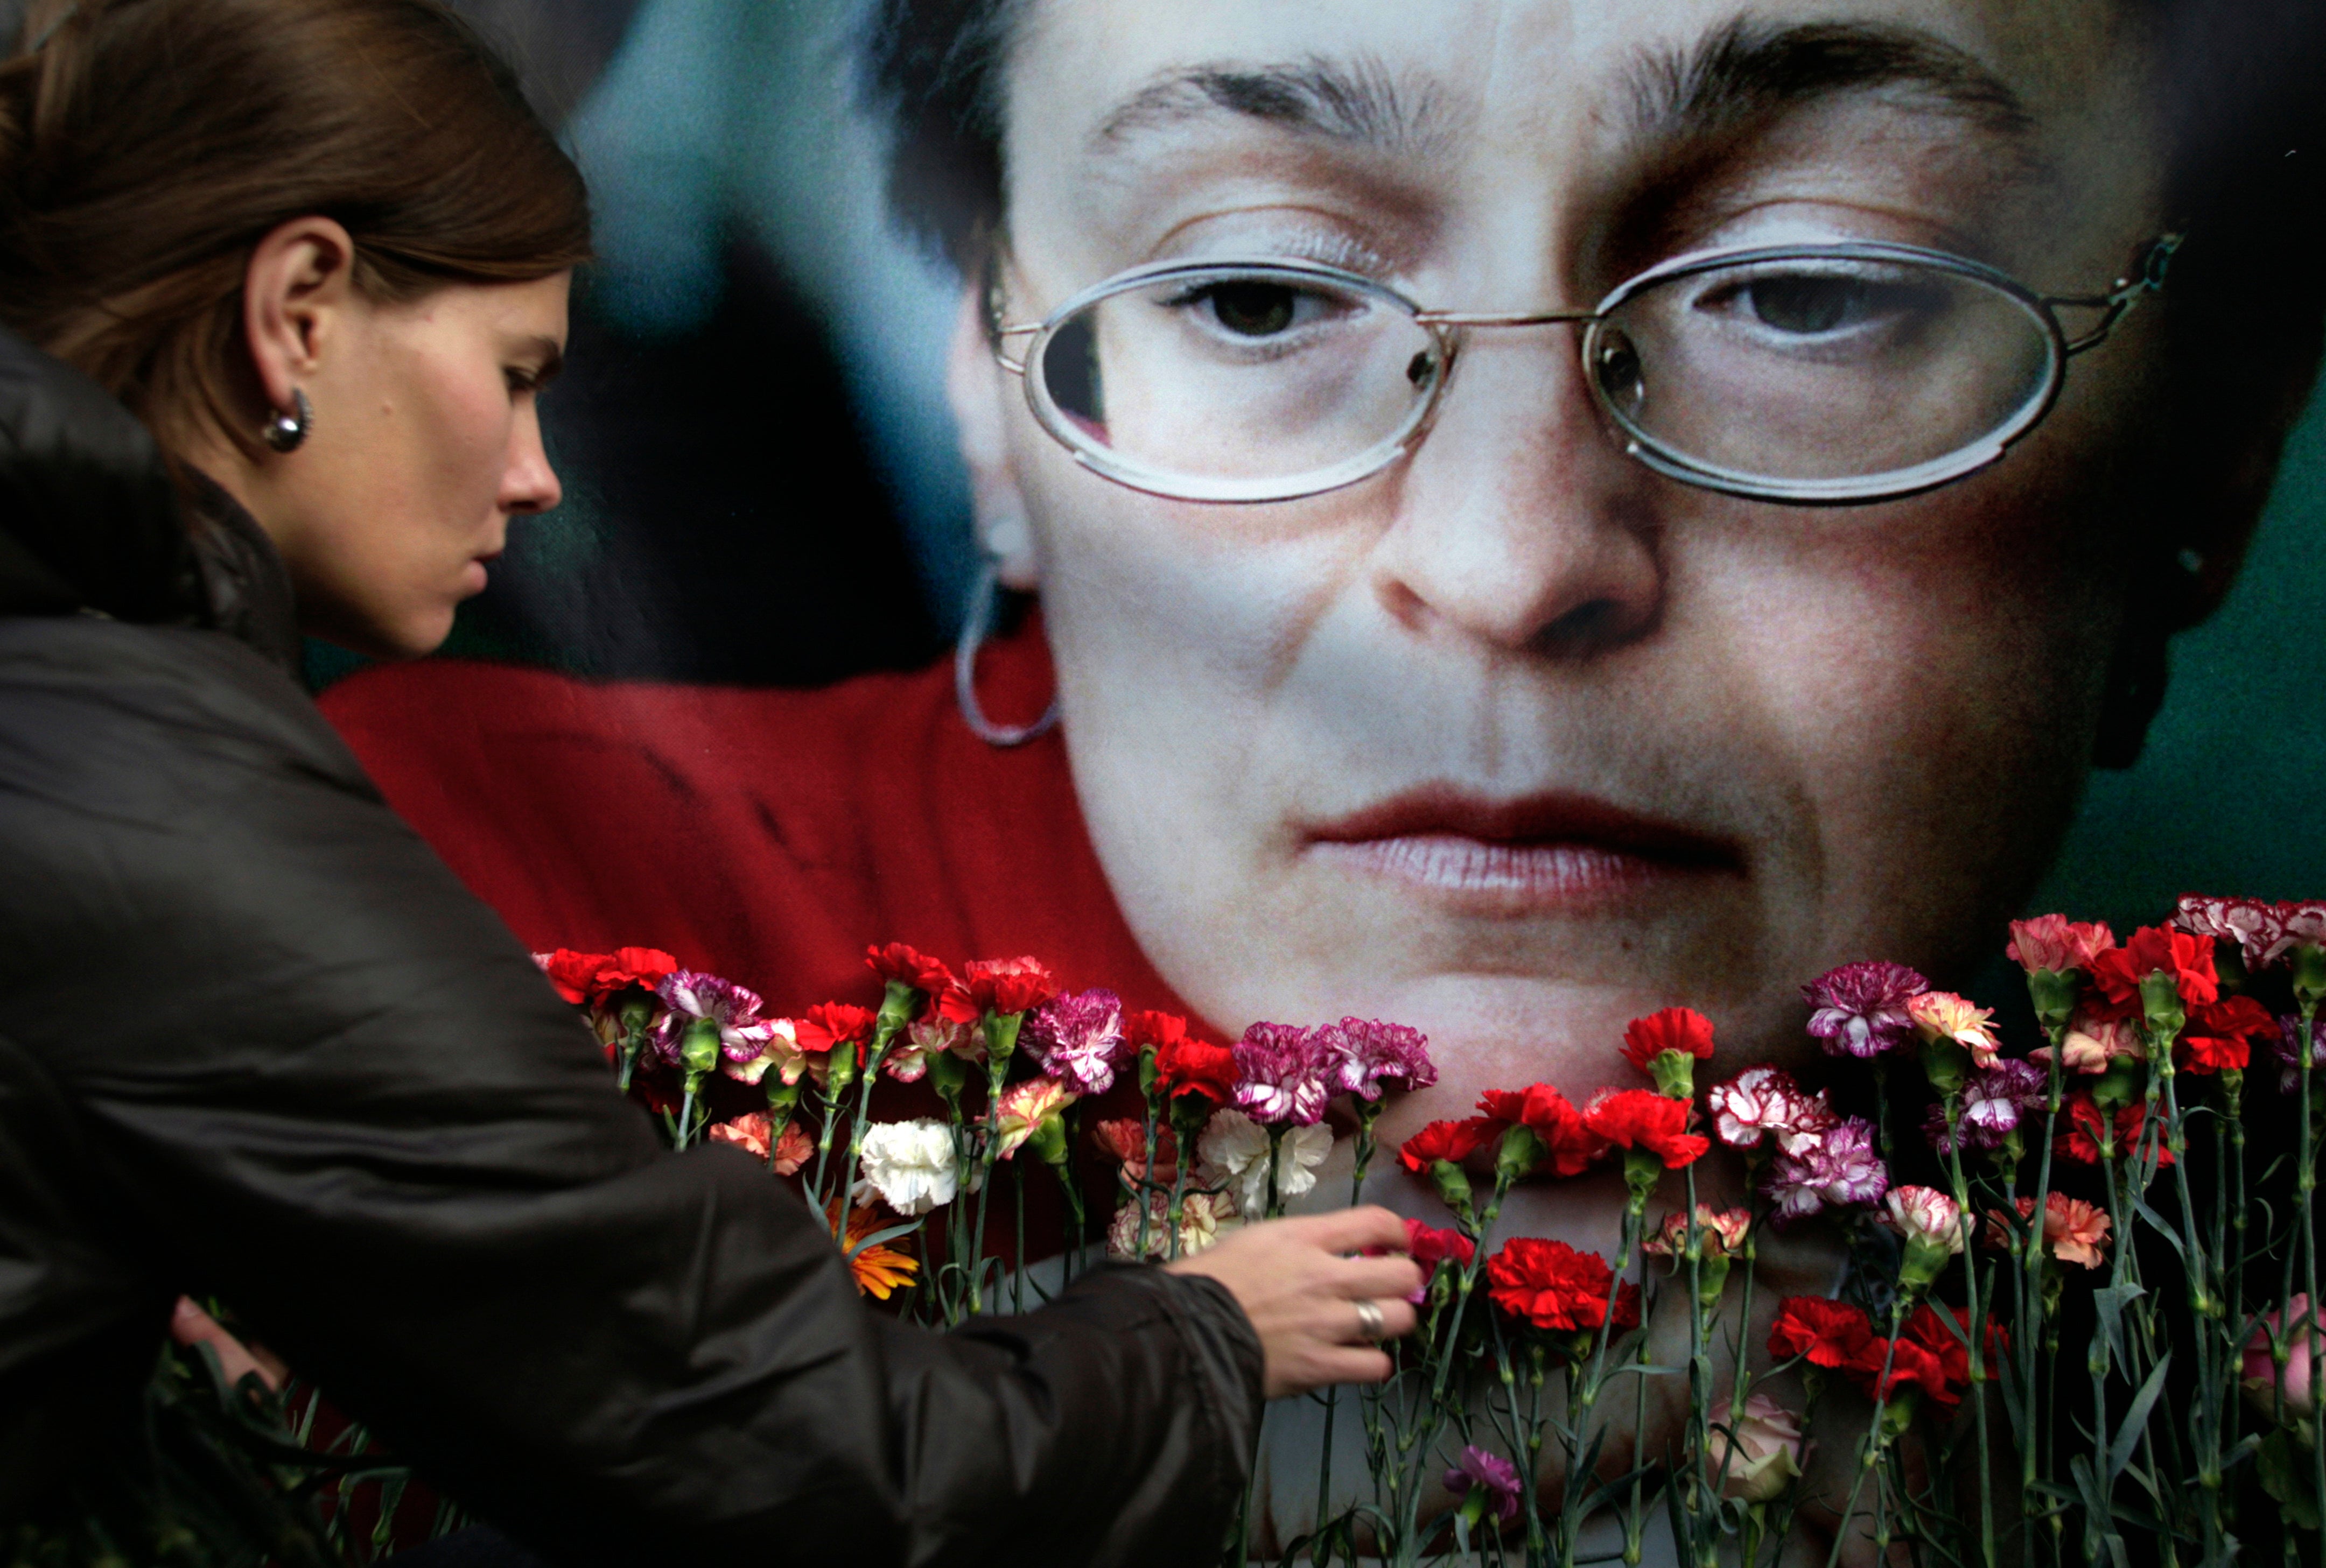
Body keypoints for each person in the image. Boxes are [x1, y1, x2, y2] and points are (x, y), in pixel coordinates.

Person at [315, 0, 2326, 1548]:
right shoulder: (455, 943)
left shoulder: (2240, 1283)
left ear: (2208, 452)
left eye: (1809, 290)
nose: (1510, 554)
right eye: (1262, 291)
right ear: (995, 402)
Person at [0, 1, 1426, 1562]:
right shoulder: (160, 789)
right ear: (300, 314)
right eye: (514, 367)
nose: (538, 470)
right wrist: (1202, 1331)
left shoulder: (76, 705)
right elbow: (777, 1440)